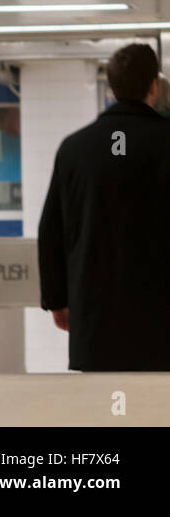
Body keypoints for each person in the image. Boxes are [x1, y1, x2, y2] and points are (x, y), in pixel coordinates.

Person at [38, 42, 170, 371]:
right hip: (161, 324)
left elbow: (51, 229)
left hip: (96, 324)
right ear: (153, 85)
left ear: (111, 86)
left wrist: (57, 299)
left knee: (104, 412)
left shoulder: (74, 149)